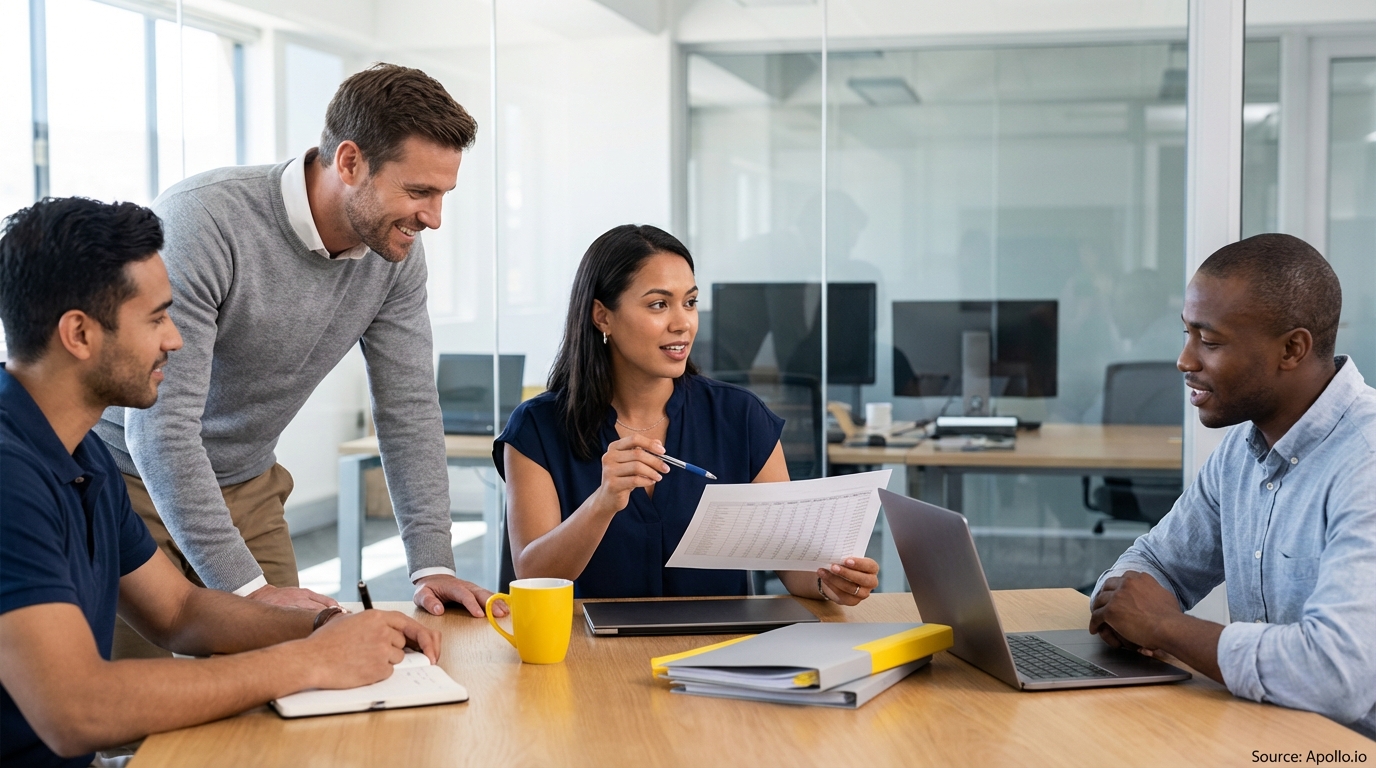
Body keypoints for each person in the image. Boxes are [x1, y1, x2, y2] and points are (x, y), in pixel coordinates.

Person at [0, 197, 439, 768]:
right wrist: (309, 660)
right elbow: (78, 711)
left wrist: (329, 626)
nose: (174, 341)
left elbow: (178, 611)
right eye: (156, 318)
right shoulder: (10, 478)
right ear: (79, 334)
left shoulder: (79, 452)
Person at [93, 63, 504, 659]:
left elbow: (408, 407)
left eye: (443, 194)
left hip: (247, 483)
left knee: (293, 685)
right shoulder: (204, 222)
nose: (433, 218)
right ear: (349, 161)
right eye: (419, 192)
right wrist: (250, 590)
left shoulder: (395, 254)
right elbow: (161, 428)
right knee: (138, 721)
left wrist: (432, 563)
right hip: (127, 481)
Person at [494, 224, 880, 601]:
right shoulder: (538, 428)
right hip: (588, 656)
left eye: (690, 302)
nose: (683, 324)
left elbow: (791, 563)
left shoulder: (738, 416)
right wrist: (603, 502)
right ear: (602, 316)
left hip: (715, 656)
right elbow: (532, 575)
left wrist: (829, 581)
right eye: (659, 304)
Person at [1089, 233, 1376, 738]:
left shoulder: (1365, 464)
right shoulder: (1245, 448)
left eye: (1210, 341)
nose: (1185, 360)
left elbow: (1338, 676)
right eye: (1186, 333)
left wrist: (1161, 627)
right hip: (1264, 729)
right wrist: (1123, 606)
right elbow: (1155, 563)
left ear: (1292, 348)